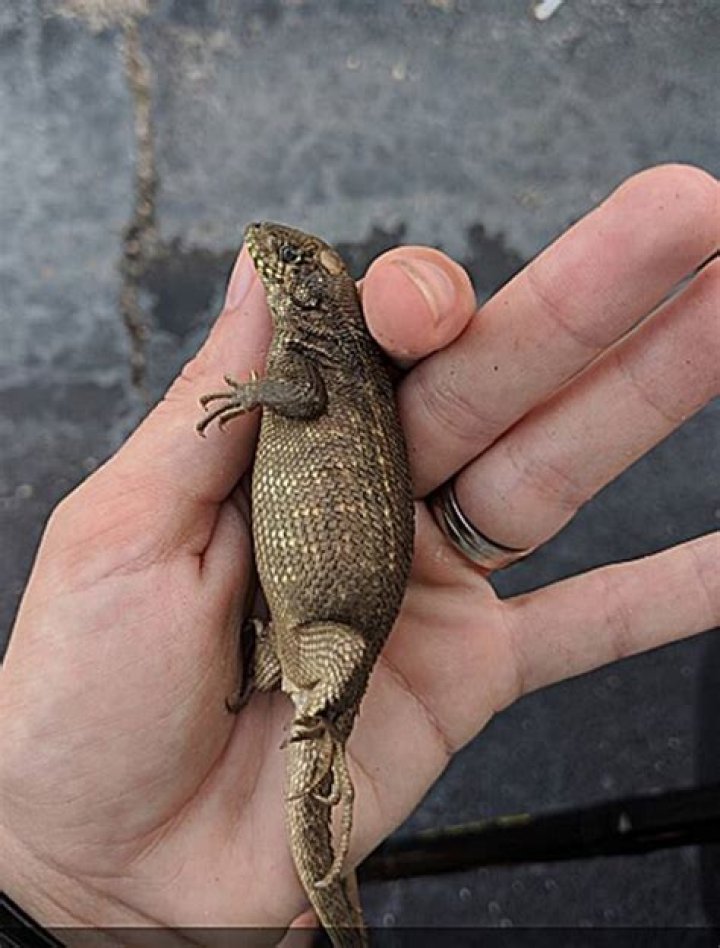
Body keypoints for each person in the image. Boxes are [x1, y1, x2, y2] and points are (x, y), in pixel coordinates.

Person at [0, 164, 717, 939]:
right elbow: (305, 398)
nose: (272, 261)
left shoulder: (315, 357)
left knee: (318, 733)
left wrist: (49, 899)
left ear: (307, 298)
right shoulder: (313, 349)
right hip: (321, 621)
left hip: (329, 628)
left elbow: (303, 400)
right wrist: (51, 880)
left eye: (294, 266)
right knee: (315, 756)